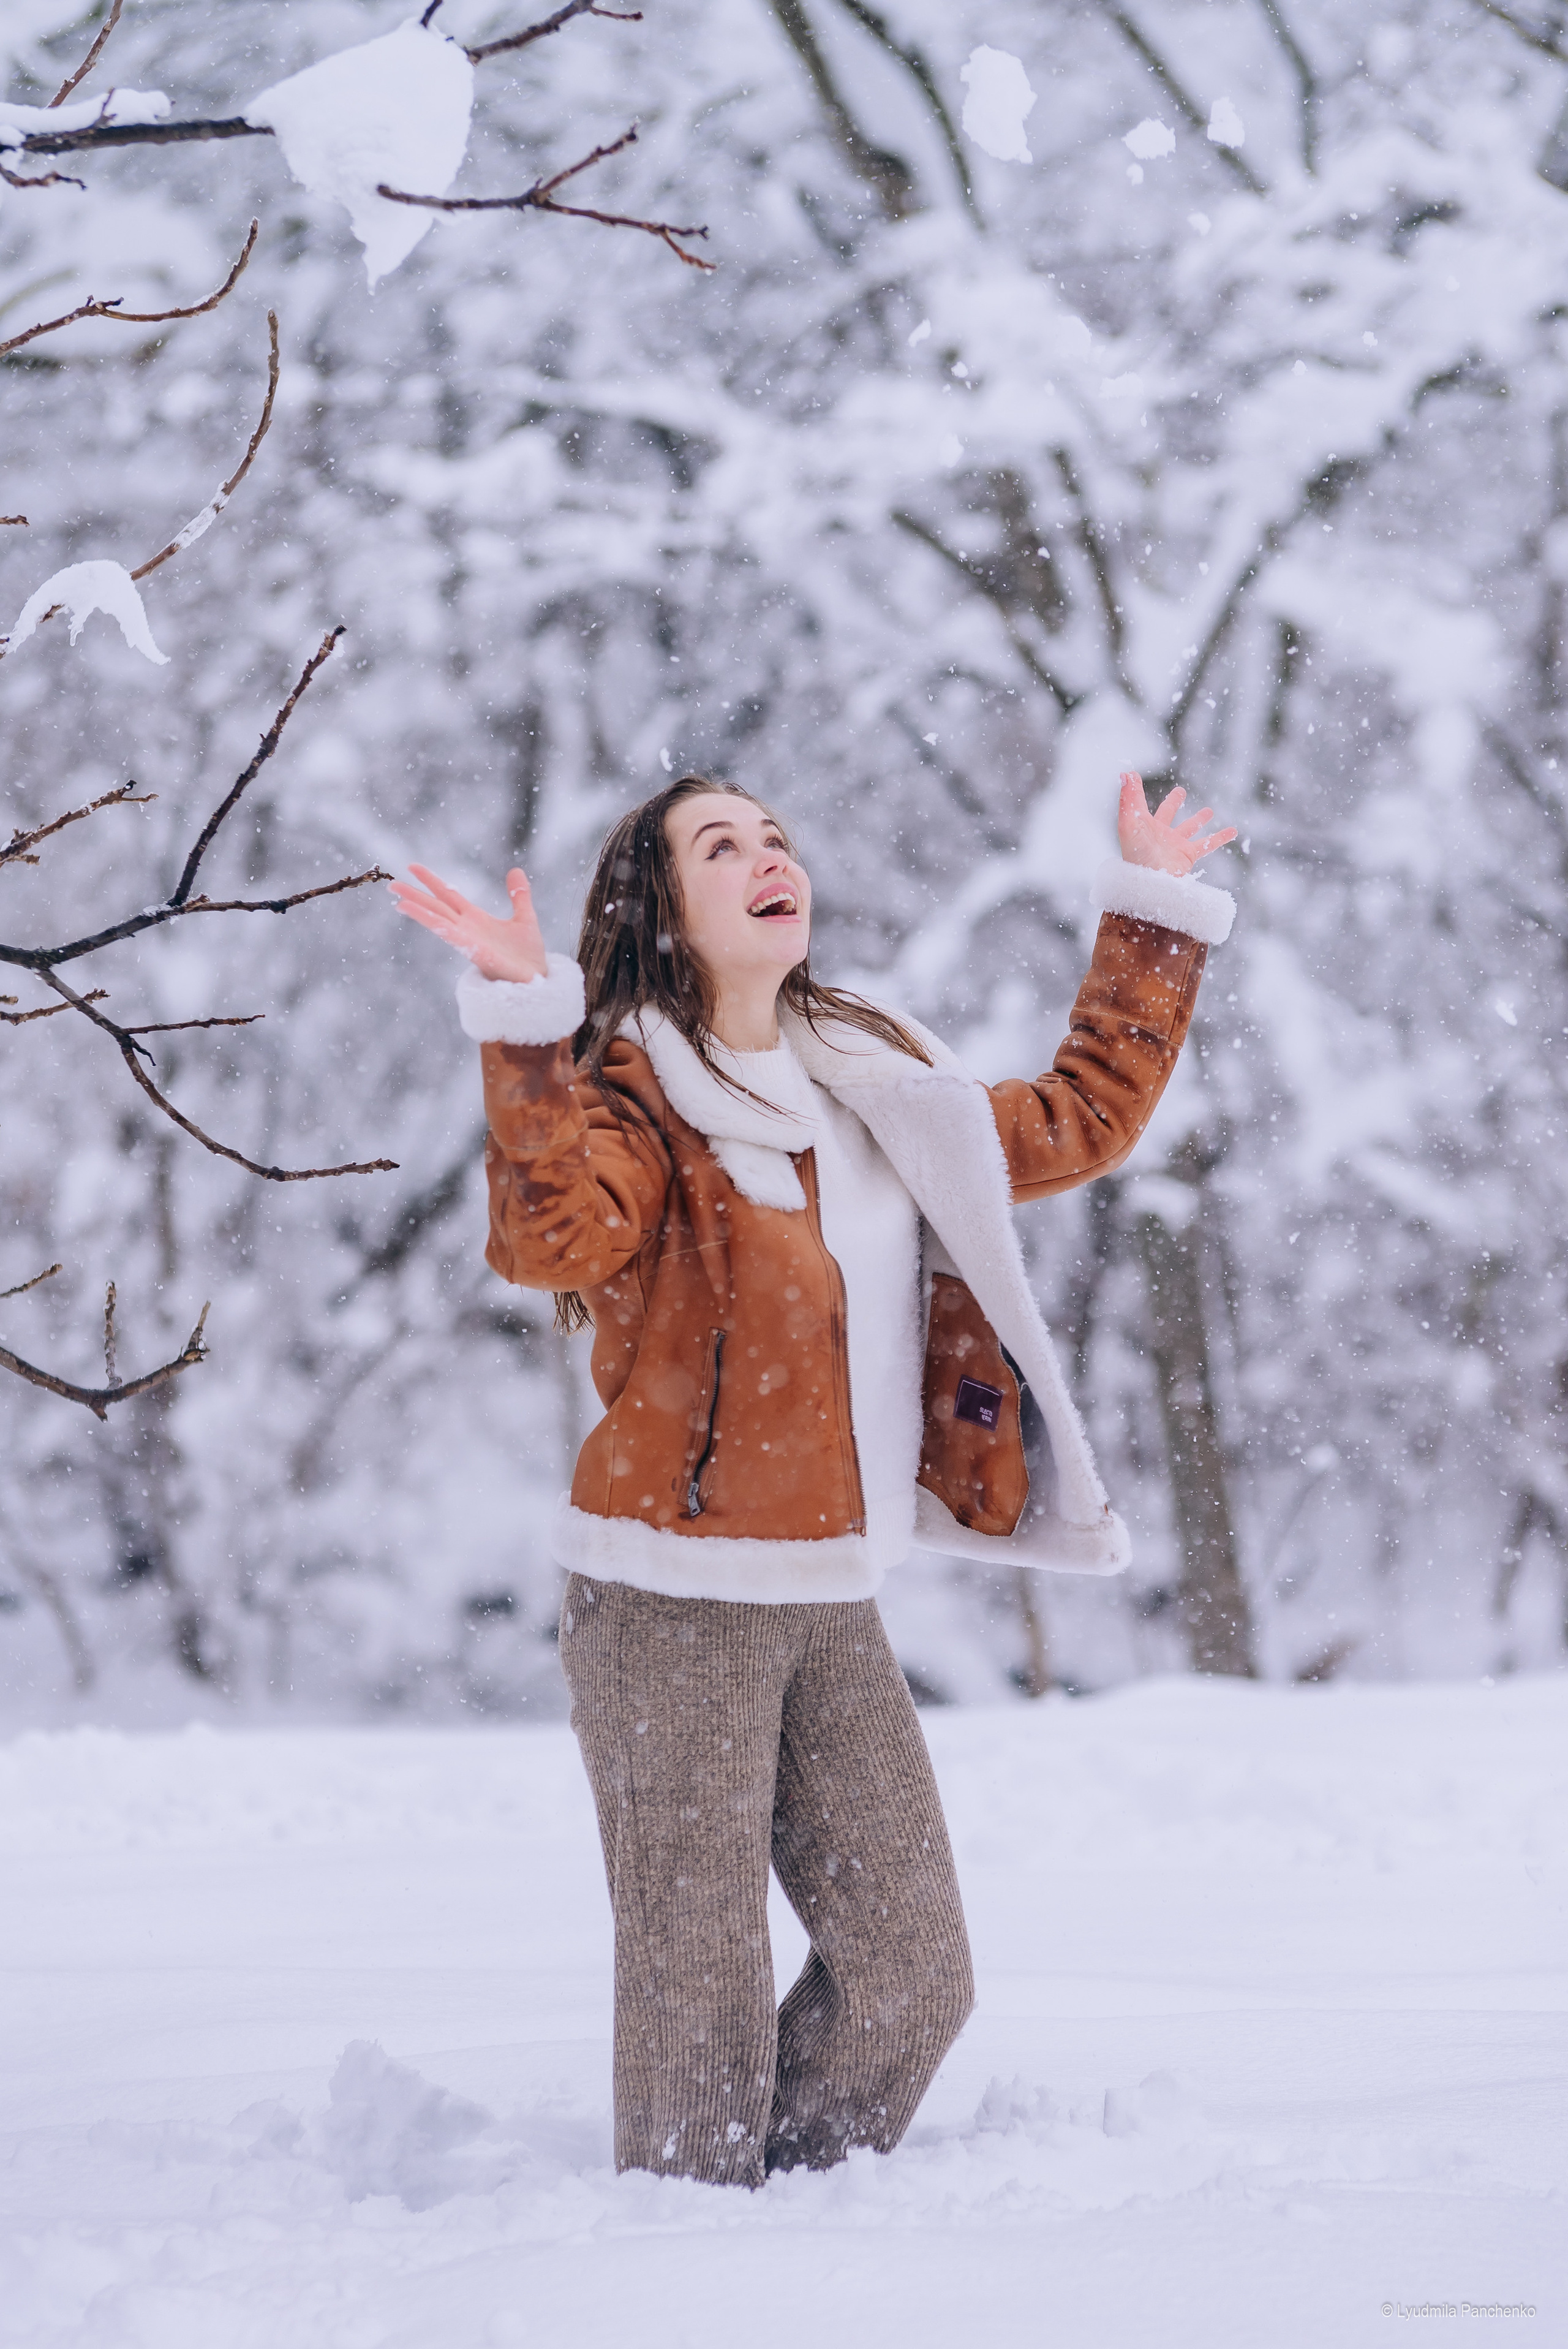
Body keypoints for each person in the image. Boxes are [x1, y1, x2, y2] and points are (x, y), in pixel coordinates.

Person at [389, 768, 1236, 2188]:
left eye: (775, 834)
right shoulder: (636, 1099)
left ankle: (778, 2233)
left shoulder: (871, 1075)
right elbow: (546, 1242)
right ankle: (689, 2264)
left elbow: (1079, 1117)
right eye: (721, 847)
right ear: (666, 912)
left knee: (914, 1976)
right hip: (664, 1605)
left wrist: (1147, 916)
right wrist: (525, 1034)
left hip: (831, 1596)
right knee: (695, 2006)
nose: (767, 854)